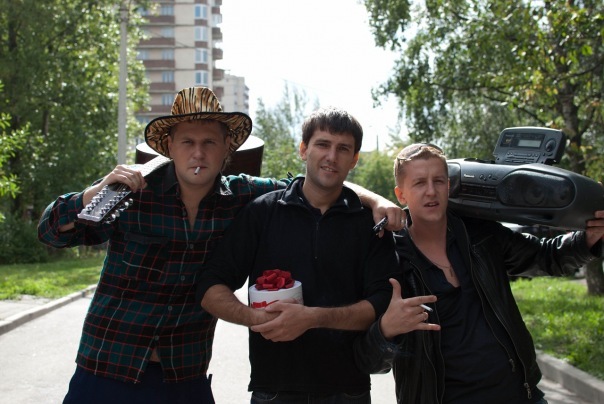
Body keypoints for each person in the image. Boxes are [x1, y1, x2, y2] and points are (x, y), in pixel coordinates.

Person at [37, 88, 402, 404]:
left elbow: (318, 180)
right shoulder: (131, 193)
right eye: (188, 142)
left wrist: (376, 200)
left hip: (184, 373)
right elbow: (52, 232)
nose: (199, 153)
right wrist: (93, 193)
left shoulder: (242, 194)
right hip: (108, 366)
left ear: (226, 148)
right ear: (170, 147)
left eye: (209, 142)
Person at [353, 143, 604, 404]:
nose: (431, 191)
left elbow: (545, 256)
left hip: (520, 396)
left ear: (448, 186)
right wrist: (386, 329)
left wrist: (587, 239)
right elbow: (366, 359)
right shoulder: (389, 259)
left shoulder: (479, 233)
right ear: (401, 194)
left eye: (438, 181)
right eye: (419, 183)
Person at [197, 106, 401, 403]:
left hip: (348, 390)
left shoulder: (370, 224)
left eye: (343, 149)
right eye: (323, 144)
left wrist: (312, 318)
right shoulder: (263, 212)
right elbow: (210, 287)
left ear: (355, 159)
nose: (332, 156)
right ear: (304, 149)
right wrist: (256, 318)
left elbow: (382, 302)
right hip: (274, 389)